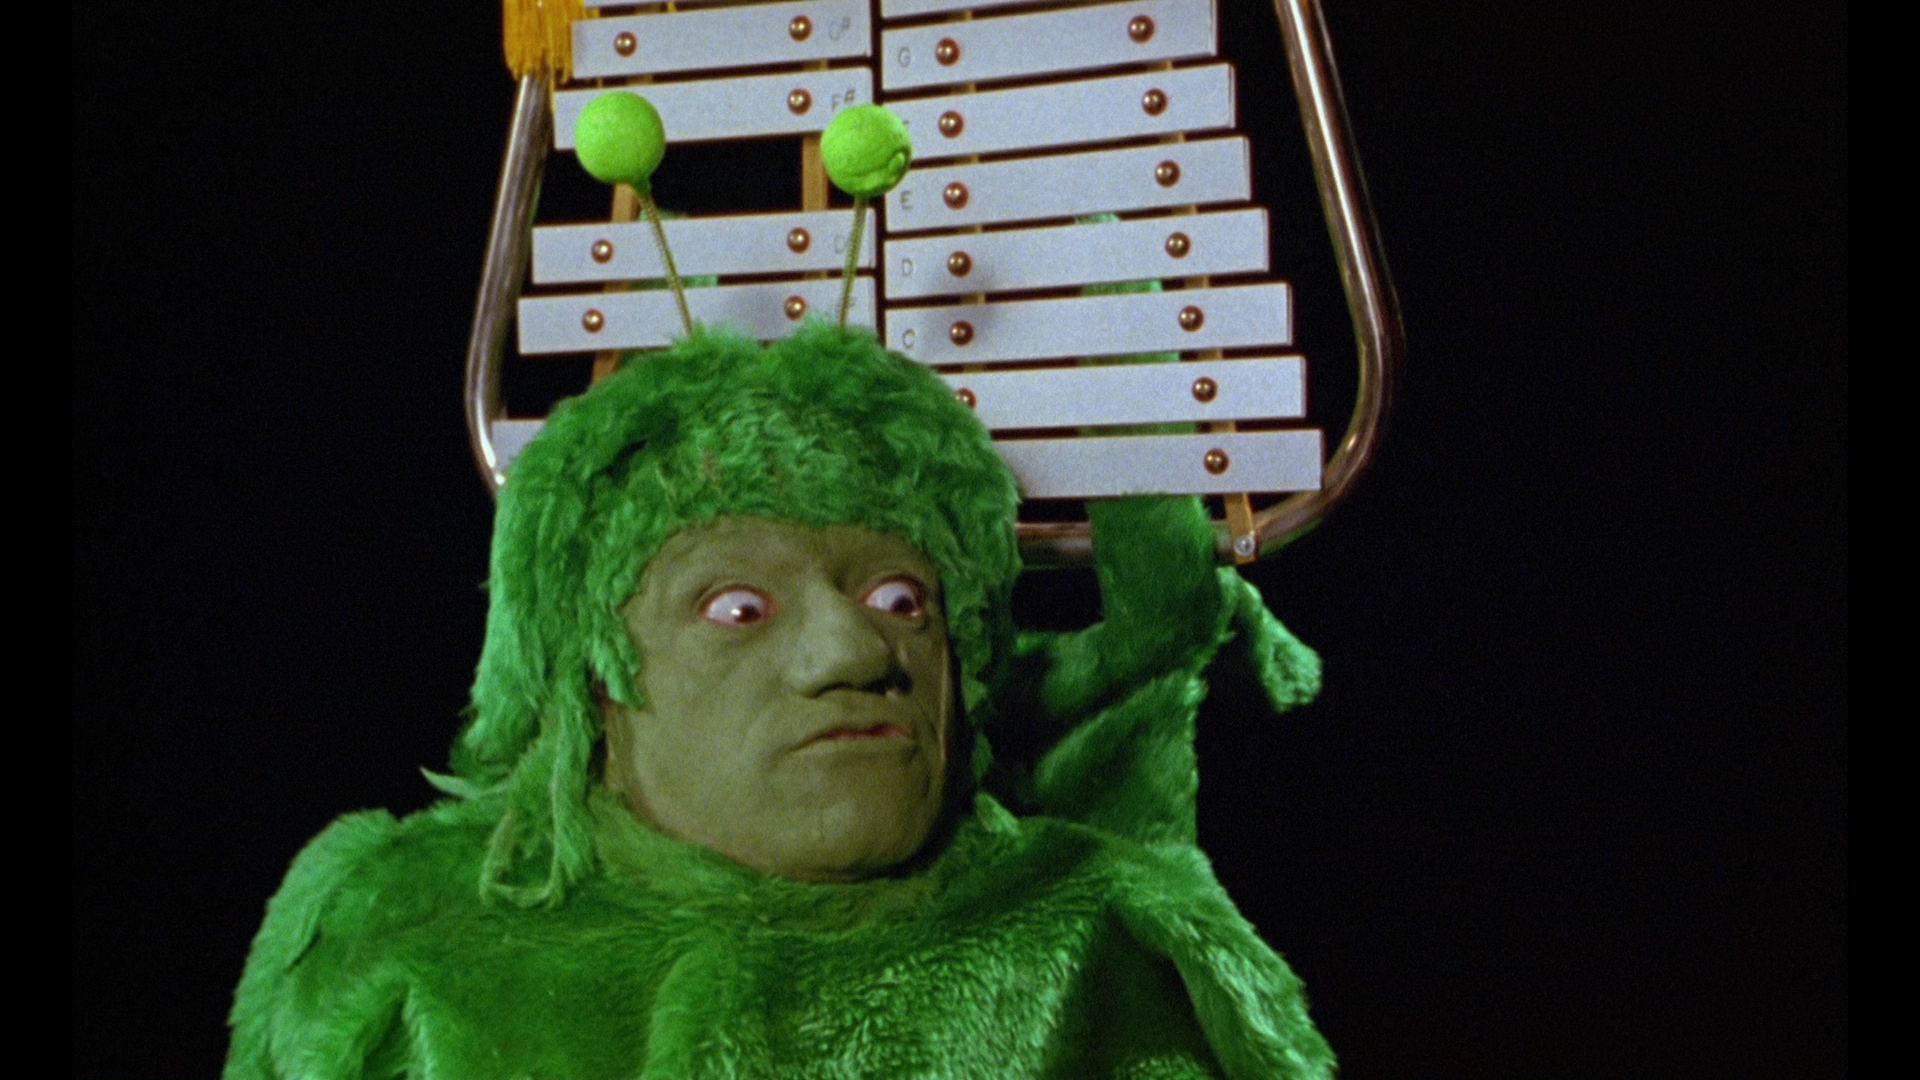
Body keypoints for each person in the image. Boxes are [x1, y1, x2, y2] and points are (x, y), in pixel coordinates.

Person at [223, 322, 1335, 1079]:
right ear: (594, 685)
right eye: (738, 608)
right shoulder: (413, 957)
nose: (853, 649)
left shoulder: (1093, 940)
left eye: (902, 598)